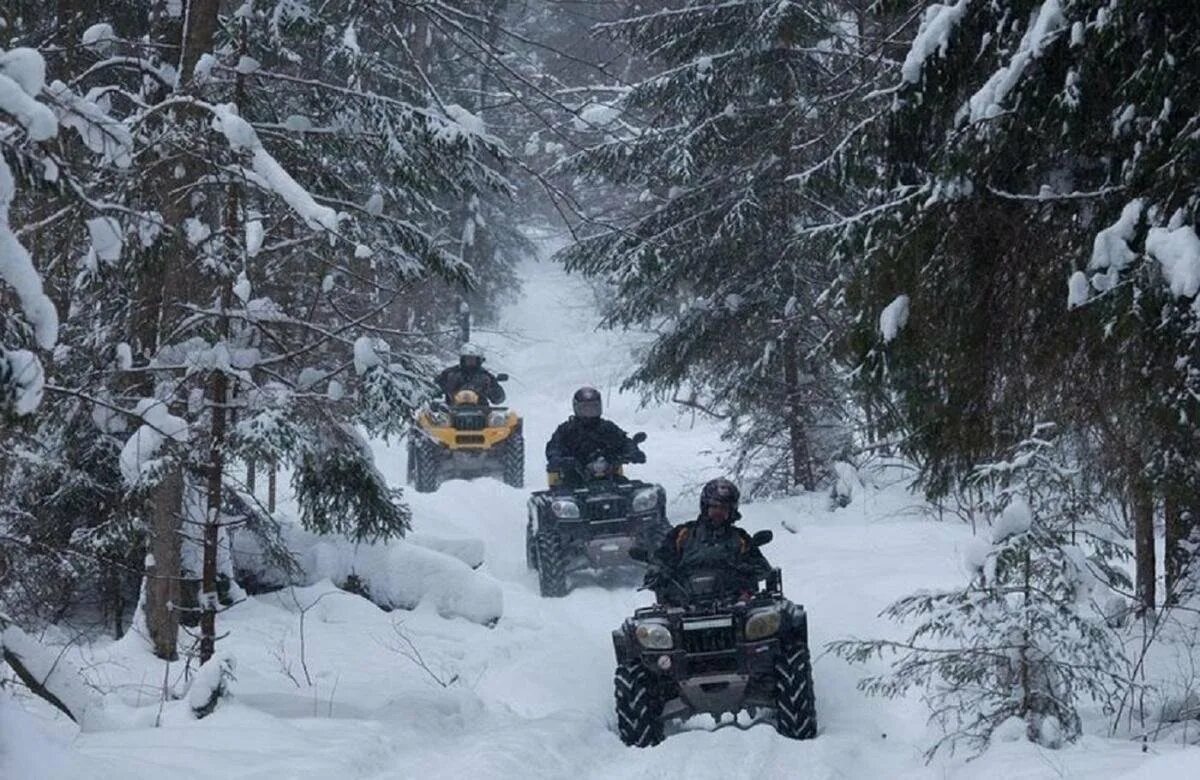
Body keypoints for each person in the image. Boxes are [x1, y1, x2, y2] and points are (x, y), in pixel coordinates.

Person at [645, 478, 771, 602]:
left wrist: (744, 570)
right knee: (648, 622)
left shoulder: (740, 538)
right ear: (705, 507)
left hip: (734, 604)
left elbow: (763, 568)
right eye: (714, 506)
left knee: (772, 617)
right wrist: (657, 572)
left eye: (724, 508)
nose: (718, 511)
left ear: (732, 510)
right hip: (682, 606)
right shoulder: (683, 533)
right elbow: (661, 559)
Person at [545, 387, 645, 479]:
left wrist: (633, 452)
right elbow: (554, 447)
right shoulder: (567, 430)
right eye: (585, 408)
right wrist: (559, 460)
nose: (589, 412)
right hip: (574, 479)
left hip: (610, 477)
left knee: (646, 493)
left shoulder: (607, 428)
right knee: (562, 494)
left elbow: (624, 441)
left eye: (593, 408)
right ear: (576, 408)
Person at [435, 342, 505, 405]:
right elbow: (436, 389)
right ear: (462, 359)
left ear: (478, 360)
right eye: (468, 359)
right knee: (428, 418)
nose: (470, 361)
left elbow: (499, 398)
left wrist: (493, 391)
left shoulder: (486, 376)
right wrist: (437, 399)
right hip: (452, 411)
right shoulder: (450, 373)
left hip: (481, 412)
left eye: (473, 359)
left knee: (507, 418)